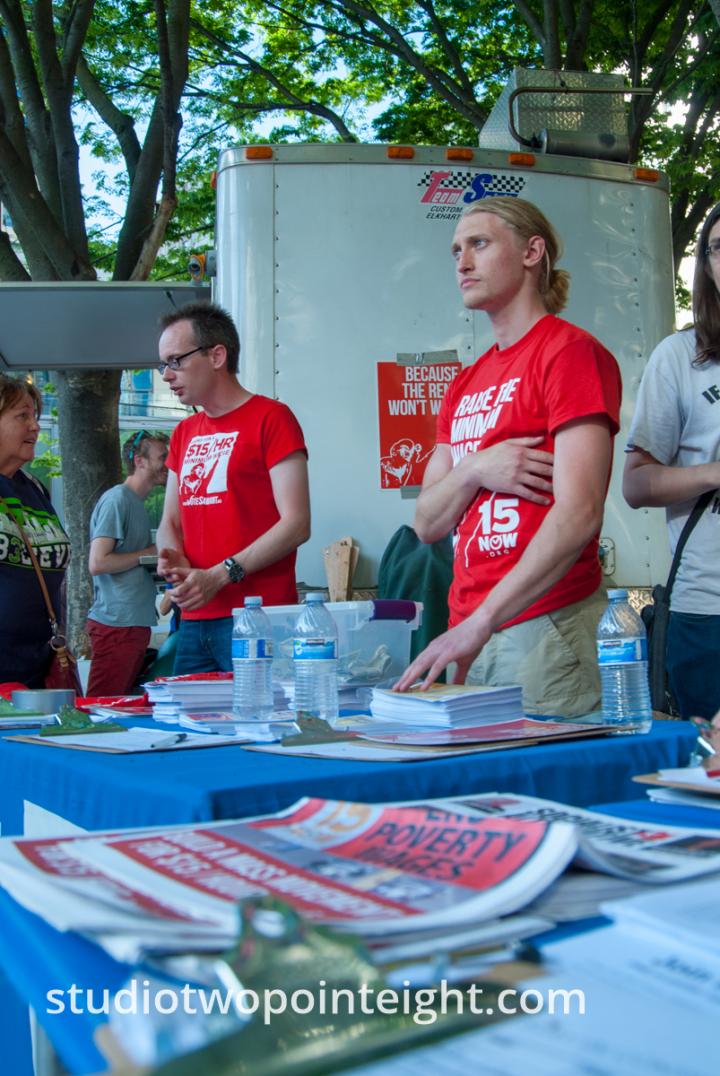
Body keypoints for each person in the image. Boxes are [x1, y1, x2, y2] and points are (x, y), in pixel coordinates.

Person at [395, 197, 622, 717]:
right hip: (469, 626)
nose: (461, 261)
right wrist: (477, 467)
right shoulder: (463, 385)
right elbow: (426, 522)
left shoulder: (569, 353)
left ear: (531, 251)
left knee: (542, 786)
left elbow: (580, 513)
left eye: (479, 243)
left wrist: (483, 620)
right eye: (455, 249)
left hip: (546, 623)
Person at [156, 301, 310, 674]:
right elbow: (169, 522)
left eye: (175, 361)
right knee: (190, 728)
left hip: (259, 619)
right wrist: (171, 558)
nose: (165, 375)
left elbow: (297, 523)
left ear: (217, 355)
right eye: (163, 364)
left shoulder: (272, 418)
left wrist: (219, 575)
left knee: (261, 727)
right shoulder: (183, 432)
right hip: (193, 620)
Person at [623, 203, 720, 720]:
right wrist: (714, 473)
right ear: (706, 265)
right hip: (709, 614)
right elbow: (636, 484)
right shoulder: (681, 357)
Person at [85, 430, 169, 696]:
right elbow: (98, 562)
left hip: (131, 624)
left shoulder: (136, 503)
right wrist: (148, 552)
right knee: (103, 705)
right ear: (139, 460)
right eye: (162, 456)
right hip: (117, 624)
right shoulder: (117, 499)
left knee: (117, 701)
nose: (169, 463)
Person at [0, 374, 71, 687]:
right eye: (22, 416)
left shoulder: (35, 489)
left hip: (37, 671)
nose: (34, 426)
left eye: (35, 416)